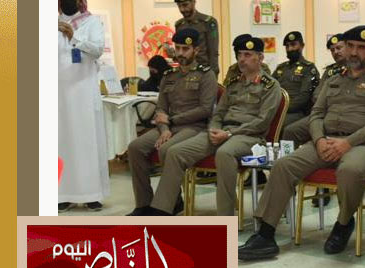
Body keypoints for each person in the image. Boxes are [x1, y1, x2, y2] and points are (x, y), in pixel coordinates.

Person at [238, 25, 365, 259]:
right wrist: (319, 140)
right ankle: (265, 234)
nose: (354, 52)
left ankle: (343, 223)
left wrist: (347, 143)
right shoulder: (335, 76)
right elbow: (316, 113)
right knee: (284, 166)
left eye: (362, 47)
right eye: (350, 46)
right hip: (326, 140)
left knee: (350, 170)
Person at [148, 34, 282, 216]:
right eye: (239, 55)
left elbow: (262, 122)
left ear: (260, 57)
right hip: (220, 131)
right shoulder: (234, 84)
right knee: (175, 152)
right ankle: (163, 210)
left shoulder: (270, 86)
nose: (242, 59)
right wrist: (215, 129)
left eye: (248, 55)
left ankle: (225, 218)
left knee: (224, 153)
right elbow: (218, 112)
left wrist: (229, 134)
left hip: (248, 136)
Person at [126, 29, 218, 215]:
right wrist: (164, 128)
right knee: (135, 147)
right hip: (168, 127)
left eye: (186, 49)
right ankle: (143, 204)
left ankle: (165, 206)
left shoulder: (206, 75)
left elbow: (205, 109)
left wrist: (171, 120)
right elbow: (161, 108)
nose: (181, 53)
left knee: (166, 149)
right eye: (178, 48)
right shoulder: (169, 75)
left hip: (194, 127)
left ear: (196, 50)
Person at [58, 0, 110, 211]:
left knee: (86, 141)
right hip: (58, 95)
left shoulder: (91, 22)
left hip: (83, 92)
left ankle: (91, 193)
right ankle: (63, 193)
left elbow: (97, 50)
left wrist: (73, 37)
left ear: (80, 0)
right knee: (61, 143)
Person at [274, 31, 320, 140]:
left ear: (302, 46)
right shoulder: (281, 68)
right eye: (287, 46)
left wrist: (282, 109)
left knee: (279, 125)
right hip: (278, 109)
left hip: (297, 112)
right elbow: (270, 89)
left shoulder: (308, 68)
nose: (290, 49)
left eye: (293, 45)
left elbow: (304, 97)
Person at [171, 0, 220, 75]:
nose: (182, 9)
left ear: (194, 2)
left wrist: (213, 74)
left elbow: (213, 52)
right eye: (179, 6)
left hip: (203, 71)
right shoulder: (179, 25)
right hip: (185, 71)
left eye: (185, 5)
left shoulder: (208, 22)